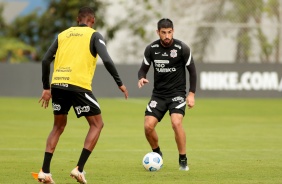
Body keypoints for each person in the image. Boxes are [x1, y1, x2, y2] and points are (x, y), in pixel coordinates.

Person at [37, 7, 128, 184]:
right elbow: (107, 60)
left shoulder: (63, 35)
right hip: (78, 86)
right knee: (97, 124)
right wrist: (120, 83)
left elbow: (45, 60)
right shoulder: (94, 35)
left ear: (78, 19)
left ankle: (45, 171)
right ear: (92, 20)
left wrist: (46, 88)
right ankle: (79, 169)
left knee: (58, 126)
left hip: (58, 85)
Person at [137, 18, 197, 171]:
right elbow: (143, 68)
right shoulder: (151, 49)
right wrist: (141, 77)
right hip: (158, 95)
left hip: (177, 94)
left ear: (173, 31)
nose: (167, 36)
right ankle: (157, 154)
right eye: (163, 33)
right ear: (158, 32)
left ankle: (183, 159)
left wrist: (191, 94)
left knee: (176, 123)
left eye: (169, 32)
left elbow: (193, 72)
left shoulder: (182, 48)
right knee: (148, 127)